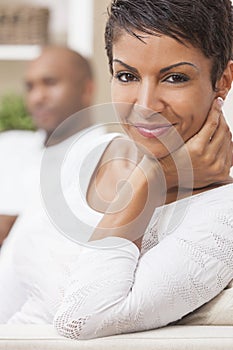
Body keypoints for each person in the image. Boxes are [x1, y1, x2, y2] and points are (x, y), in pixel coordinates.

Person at [0, 0, 232, 337]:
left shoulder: (223, 213)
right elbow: (8, 283)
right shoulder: (87, 155)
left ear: (222, 80)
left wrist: (152, 178)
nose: (145, 105)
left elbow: (82, 320)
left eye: (175, 78)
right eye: (127, 76)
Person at [0, 46, 94, 245]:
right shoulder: (8, 143)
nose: (37, 98)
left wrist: (15, 227)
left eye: (50, 83)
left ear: (87, 90)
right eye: (30, 87)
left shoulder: (103, 157)